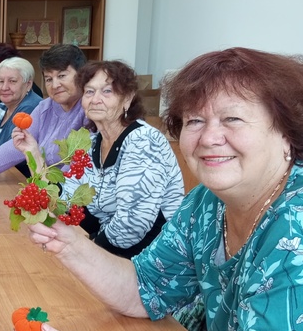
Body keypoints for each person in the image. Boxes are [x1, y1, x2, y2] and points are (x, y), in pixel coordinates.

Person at [16, 47, 303, 331]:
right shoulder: (205, 204)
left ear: (287, 132)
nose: (209, 138)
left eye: (233, 119)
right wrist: (69, 244)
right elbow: (145, 289)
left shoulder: (294, 224)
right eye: (195, 121)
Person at [11, 60, 183, 258]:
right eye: (89, 92)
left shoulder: (144, 141)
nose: (95, 99)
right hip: (109, 250)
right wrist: (32, 153)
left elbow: (132, 225)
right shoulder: (92, 143)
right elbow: (65, 200)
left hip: (155, 258)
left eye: (107, 91)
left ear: (127, 98)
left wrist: (88, 250)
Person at [0, 43, 88, 183]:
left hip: (61, 191)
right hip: (42, 185)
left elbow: (70, 182)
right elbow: (16, 146)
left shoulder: (90, 112)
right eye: (48, 79)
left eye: (62, 76)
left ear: (82, 75)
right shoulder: (45, 107)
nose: (55, 85)